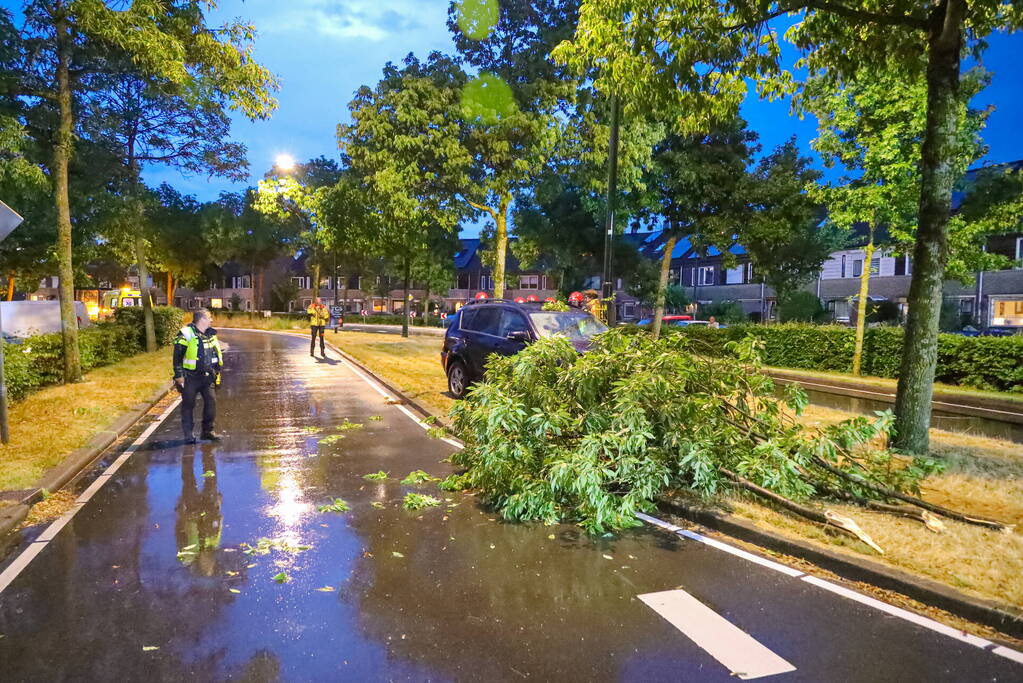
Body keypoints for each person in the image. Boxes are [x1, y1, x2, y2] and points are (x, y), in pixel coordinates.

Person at [173, 308, 223, 444]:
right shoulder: (186, 334)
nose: (211, 320)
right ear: (202, 319)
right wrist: (179, 375)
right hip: (190, 377)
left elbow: (214, 354)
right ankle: (188, 435)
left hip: (207, 377)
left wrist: (216, 372)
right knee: (188, 405)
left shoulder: (211, 334)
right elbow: (177, 356)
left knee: (211, 403)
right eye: (209, 317)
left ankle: (207, 432)